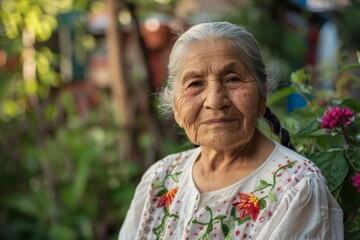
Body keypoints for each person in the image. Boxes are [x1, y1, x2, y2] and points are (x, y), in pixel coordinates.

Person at [119, 22, 343, 240]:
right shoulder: (160, 179)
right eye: (195, 84)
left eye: (233, 79)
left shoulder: (297, 188)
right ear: (175, 105)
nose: (215, 101)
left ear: (262, 97)